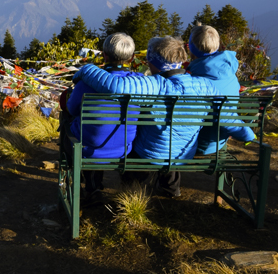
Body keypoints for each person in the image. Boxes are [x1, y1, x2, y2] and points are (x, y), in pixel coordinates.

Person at [71, 36, 252, 197]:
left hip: (149, 152)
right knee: (173, 137)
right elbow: (227, 116)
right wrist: (248, 135)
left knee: (138, 138)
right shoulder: (205, 85)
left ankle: (132, 190)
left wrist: (86, 70)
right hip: (184, 153)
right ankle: (170, 189)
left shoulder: (155, 85)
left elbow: (114, 85)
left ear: (154, 62)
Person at [59, 33, 141, 198]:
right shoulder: (139, 84)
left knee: (73, 123)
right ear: (132, 58)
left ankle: (88, 185)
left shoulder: (87, 83)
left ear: (104, 55)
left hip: (87, 150)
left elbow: (72, 109)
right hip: (124, 148)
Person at [186, 23, 255, 154]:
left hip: (196, 143)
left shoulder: (193, 80)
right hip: (219, 141)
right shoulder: (230, 74)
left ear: (191, 48)